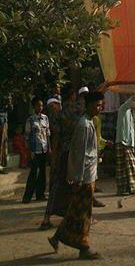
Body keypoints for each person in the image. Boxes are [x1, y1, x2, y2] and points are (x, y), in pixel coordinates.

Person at [48, 91, 104, 261]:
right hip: (84, 178)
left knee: (75, 212)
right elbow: (78, 154)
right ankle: (84, 247)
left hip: (88, 176)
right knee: (83, 214)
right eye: (97, 104)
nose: (99, 107)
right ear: (88, 105)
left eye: (101, 104)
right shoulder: (84, 125)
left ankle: (57, 237)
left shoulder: (89, 122)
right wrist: (77, 178)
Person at [40, 87, 80, 230]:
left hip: (65, 154)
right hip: (72, 155)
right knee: (71, 186)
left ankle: (50, 218)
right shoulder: (75, 111)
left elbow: (56, 140)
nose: (51, 109)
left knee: (58, 187)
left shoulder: (60, 116)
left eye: (53, 106)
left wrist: (54, 159)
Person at [22, 97, 51, 203]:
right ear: (34, 107)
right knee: (34, 173)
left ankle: (40, 195)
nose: (40, 107)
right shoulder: (30, 120)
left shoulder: (45, 118)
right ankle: (27, 197)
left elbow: (48, 134)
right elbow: (27, 137)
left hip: (44, 149)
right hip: (35, 150)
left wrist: (50, 148)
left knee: (43, 173)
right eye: (38, 105)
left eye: (42, 105)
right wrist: (29, 151)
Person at [115, 96, 135, 197]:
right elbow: (130, 101)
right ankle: (130, 188)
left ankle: (126, 188)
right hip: (123, 141)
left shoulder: (129, 112)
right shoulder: (123, 108)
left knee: (125, 166)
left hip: (127, 142)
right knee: (127, 166)